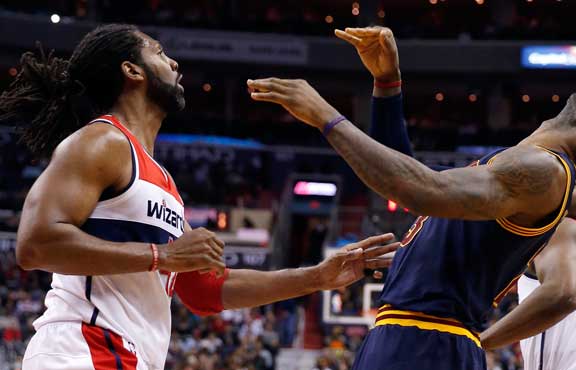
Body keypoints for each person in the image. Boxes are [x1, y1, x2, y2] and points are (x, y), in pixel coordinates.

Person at [0, 24, 400, 370]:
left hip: (124, 356)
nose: (173, 63)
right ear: (131, 70)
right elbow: (36, 244)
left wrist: (317, 276)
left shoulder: (162, 181)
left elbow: (206, 291)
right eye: (158, 52)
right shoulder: (100, 140)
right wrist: (163, 257)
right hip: (82, 352)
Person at [247, 26, 576, 370]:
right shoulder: (526, 165)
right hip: (412, 334)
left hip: (430, 339)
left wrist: (325, 117)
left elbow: (421, 190)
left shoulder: (548, 173)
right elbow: (410, 182)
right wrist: (388, 86)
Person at [481, 180, 576, 370]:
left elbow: (562, 295)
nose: (564, 184)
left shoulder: (564, 227)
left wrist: (480, 341)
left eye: (575, 185)